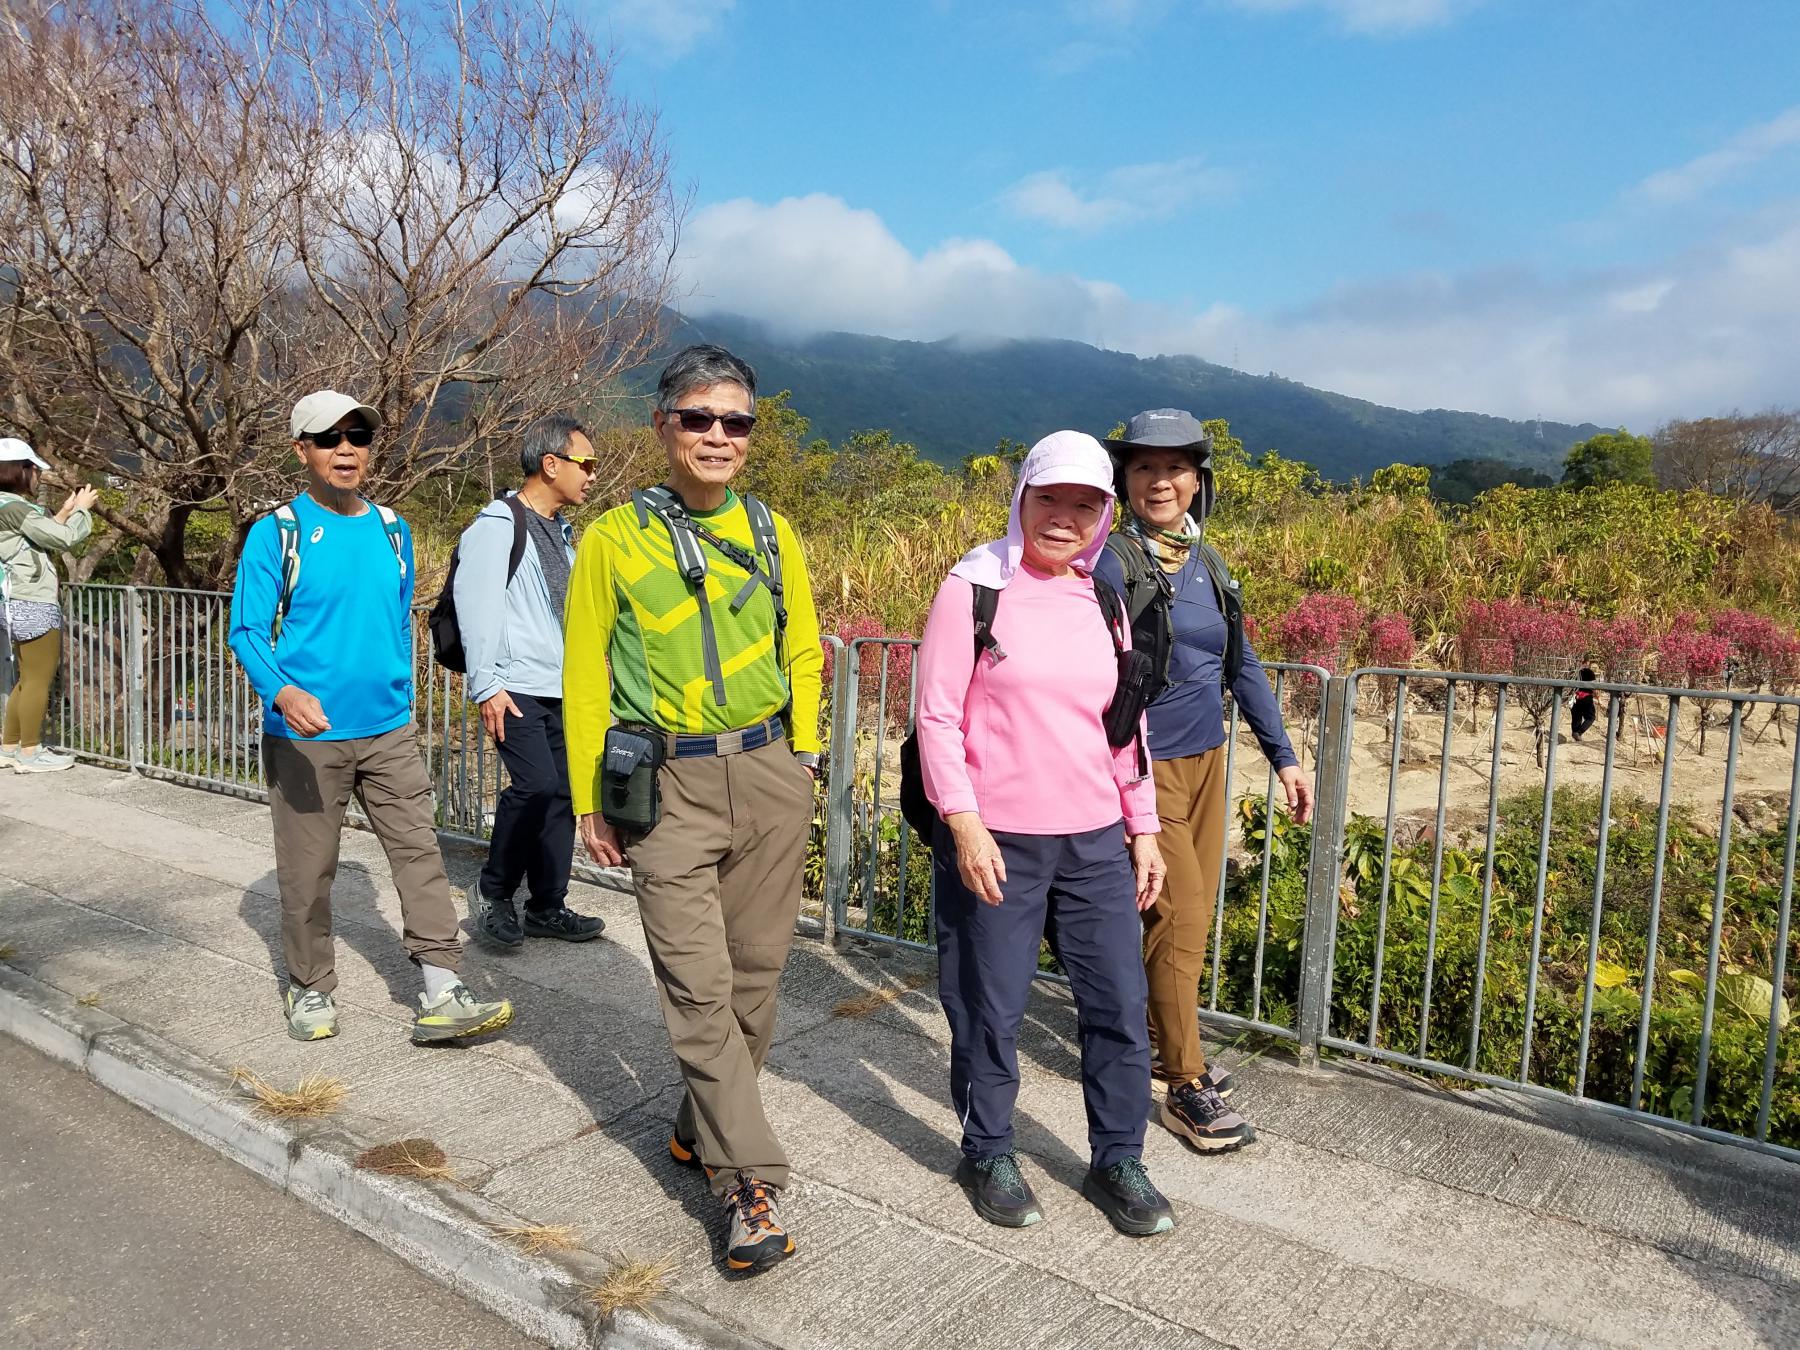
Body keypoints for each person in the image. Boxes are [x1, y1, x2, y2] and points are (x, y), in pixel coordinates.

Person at [564, 344, 824, 1275]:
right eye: (699, 418)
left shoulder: (772, 530)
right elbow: (584, 671)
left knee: (755, 983)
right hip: (666, 787)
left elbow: (803, 647)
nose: (719, 435)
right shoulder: (612, 539)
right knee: (698, 989)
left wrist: (804, 754)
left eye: (736, 421)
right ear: (663, 424)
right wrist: (590, 798)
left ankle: (695, 1123)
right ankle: (748, 1183)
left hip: (767, 773)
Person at [915, 429, 1175, 1238]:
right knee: (989, 1007)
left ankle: (1118, 1157)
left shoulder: (1105, 598)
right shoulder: (975, 588)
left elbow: (1124, 725)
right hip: (1000, 839)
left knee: (1118, 1004)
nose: (1065, 517)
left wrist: (1144, 828)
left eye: (1085, 504)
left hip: (1095, 841)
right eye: (1049, 498)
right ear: (1022, 497)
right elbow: (936, 716)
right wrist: (964, 824)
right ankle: (988, 1149)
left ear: (1105, 514)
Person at [227, 390, 513, 1046]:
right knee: (309, 869)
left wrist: (402, 698)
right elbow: (246, 630)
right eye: (329, 438)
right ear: (301, 450)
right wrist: (282, 691)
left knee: (420, 853)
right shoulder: (278, 532)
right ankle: (309, 985)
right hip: (306, 738)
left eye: (358, 437)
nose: (346, 449)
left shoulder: (392, 528)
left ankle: (442, 986)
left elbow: (394, 618)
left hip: (389, 731)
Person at [1095, 408, 1312, 1154]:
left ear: (1198, 481)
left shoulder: (1208, 562)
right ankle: (1184, 1085)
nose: (1160, 481)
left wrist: (1283, 755)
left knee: (1189, 917)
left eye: (1176, 468)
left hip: (1208, 760)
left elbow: (1239, 663)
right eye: (1144, 467)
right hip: (1143, 767)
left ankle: (1164, 1044)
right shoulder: (1111, 562)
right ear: (1124, 480)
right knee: (1179, 918)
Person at [454, 416, 604, 949]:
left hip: (561, 686)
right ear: (551, 464)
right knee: (536, 785)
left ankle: (547, 904)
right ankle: (493, 891)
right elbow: (476, 608)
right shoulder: (497, 526)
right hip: (514, 684)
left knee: (563, 792)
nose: (592, 475)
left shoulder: (562, 533)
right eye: (586, 464)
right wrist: (486, 685)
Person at [0, 438, 96, 773]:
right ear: (19, 471)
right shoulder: (16, 508)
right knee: (38, 680)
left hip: (13, 601)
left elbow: (35, 535)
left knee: (26, 679)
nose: (38, 476)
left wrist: (64, 512)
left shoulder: (5, 507)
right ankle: (30, 753)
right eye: (34, 469)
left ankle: (9, 747)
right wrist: (82, 510)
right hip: (33, 601)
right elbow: (64, 538)